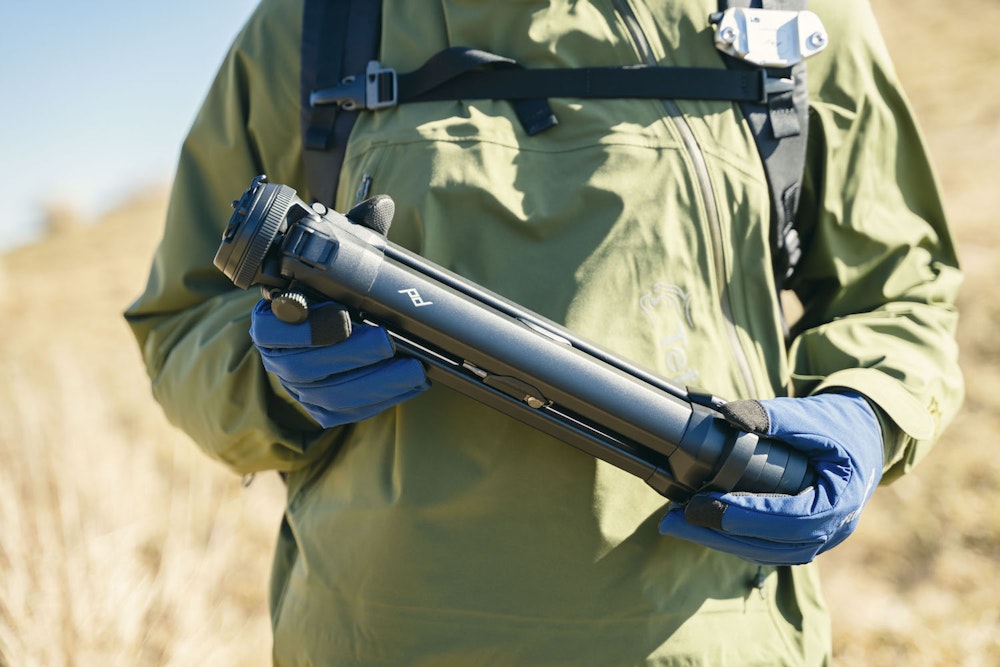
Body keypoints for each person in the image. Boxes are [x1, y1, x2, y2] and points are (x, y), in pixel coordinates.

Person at [125, 0, 963, 664]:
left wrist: (866, 406)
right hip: (377, 639)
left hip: (711, 641)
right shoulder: (316, 27)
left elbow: (900, 291)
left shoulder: (793, 20)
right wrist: (268, 379)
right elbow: (183, 318)